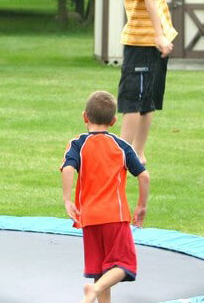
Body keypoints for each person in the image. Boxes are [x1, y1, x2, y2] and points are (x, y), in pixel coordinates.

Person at [60, 91, 150, 303]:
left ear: (85, 117)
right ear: (113, 121)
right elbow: (144, 176)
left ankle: (98, 295)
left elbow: (68, 169)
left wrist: (67, 199)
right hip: (115, 216)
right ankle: (95, 289)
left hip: (89, 217)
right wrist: (141, 206)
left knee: (101, 267)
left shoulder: (77, 144)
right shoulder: (121, 146)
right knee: (125, 264)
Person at [111, 0, 178, 165]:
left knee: (130, 98)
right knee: (147, 98)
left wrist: (158, 35)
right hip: (156, 36)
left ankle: (123, 153)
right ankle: (137, 152)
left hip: (143, 38)